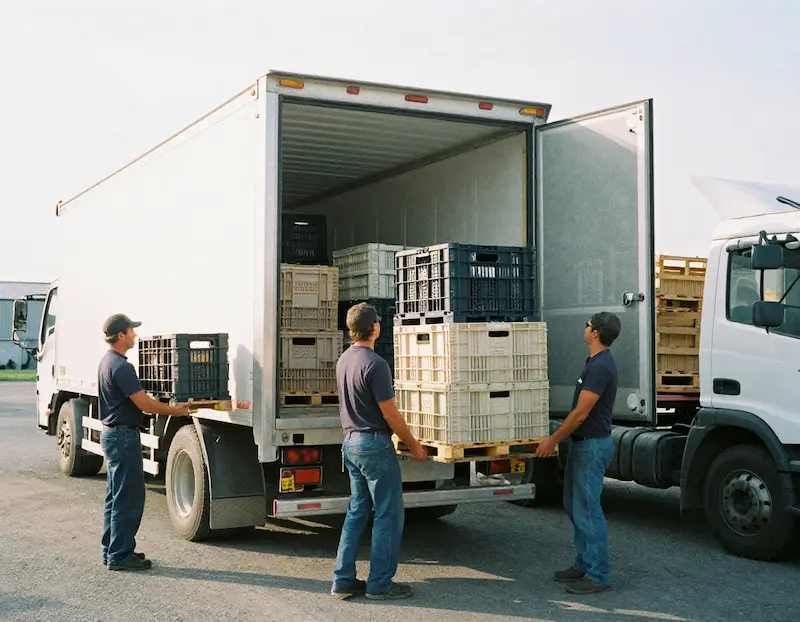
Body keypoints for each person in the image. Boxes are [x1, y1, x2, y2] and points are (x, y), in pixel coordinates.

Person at [331, 303, 428, 601]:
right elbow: (391, 415)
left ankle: (343, 580)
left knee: (357, 511)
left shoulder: (344, 360)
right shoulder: (376, 364)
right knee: (388, 514)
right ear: (374, 327)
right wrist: (413, 444)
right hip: (374, 445)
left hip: (351, 443)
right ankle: (380, 584)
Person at [535, 311, 621, 594]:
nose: (584, 329)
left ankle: (598, 575)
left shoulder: (600, 367)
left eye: (587, 325)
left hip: (592, 446)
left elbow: (581, 413)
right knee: (575, 507)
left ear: (595, 333)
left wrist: (553, 439)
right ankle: (583, 563)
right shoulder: (595, 362)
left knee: (587, 510)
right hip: (583, 445)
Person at [99, 313, 190, 571]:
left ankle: (113, 550)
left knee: (116, 497)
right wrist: (177, 410)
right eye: (131, 330)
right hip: (123, 436)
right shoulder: (121, 367)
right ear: (121, 335)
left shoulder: (107, 362)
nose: (135, 335)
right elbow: (144, 403)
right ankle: (120, 555)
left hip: (112, 434)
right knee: (128, 497)